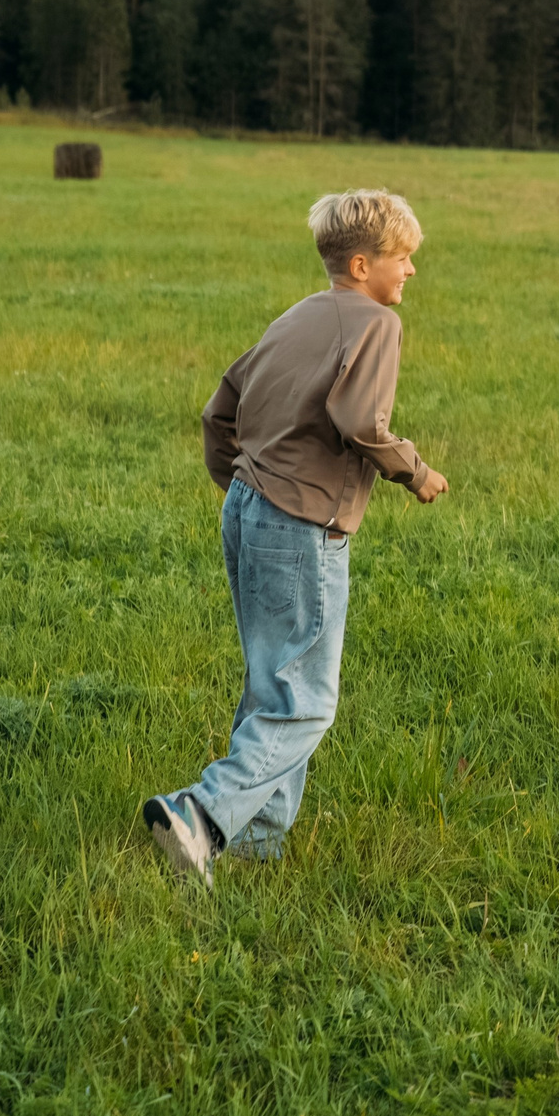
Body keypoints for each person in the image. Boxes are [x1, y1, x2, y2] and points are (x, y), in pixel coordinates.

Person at [141, 190, 449, 885]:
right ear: (364, 262)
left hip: (250, 507)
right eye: (404, 259)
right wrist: (415, 471)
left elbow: (220, 410)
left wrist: (246, 488)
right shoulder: (375, 324)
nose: (411, 272)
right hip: (303, 523)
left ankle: (257, 840)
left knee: (270, 680)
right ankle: (201, 813)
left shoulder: (296, 316)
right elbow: (360, 421)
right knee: (306, 699)